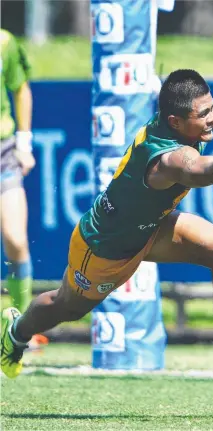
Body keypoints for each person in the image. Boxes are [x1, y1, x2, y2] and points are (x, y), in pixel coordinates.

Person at [2, 68, 213, 385]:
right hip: (105, 246)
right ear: (175, 122)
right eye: (204, 114)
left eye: (212, 108)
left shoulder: (191, 122)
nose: (212, 118)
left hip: (151, 227)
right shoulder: (167, 157)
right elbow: (204, 173)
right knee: (66, 307)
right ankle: (15, 333)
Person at [0, 29, 48, 350]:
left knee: (16, 240)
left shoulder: (4, 41)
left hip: (4, 151)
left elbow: (21, 89)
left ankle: (22, 328)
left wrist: (24, 142)